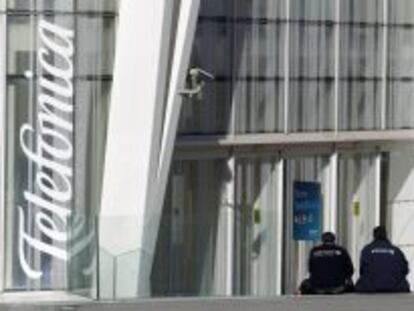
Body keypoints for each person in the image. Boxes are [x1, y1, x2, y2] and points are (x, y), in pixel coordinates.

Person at [355, 226, 410, 293]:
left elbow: (362, 270)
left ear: (374, 236)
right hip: (395, 287)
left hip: (371, 287)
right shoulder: (396, 251)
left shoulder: (367, 250)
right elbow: (405, 270)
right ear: (386, 235)